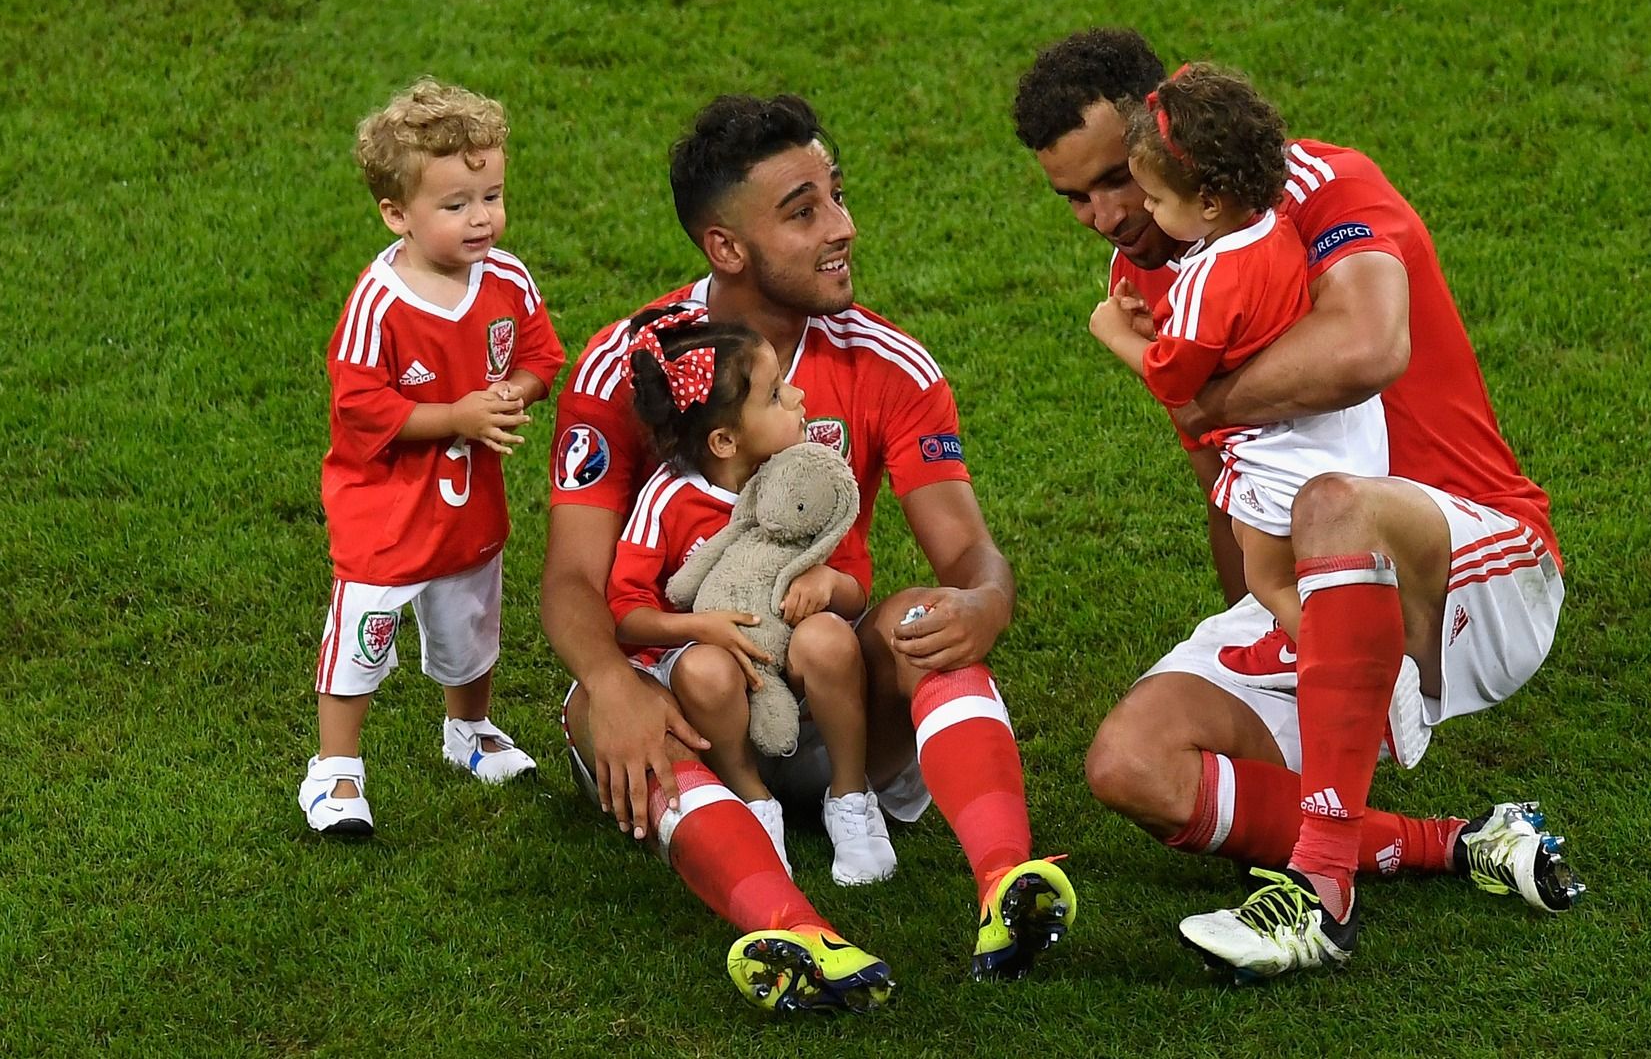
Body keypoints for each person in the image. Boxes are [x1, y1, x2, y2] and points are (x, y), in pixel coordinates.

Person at [1016, 30, 1583, 978]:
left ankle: (1321, 895)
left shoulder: (1323, 187)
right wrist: (1260, 610)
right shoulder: (1155, 270)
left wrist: (1190, 393)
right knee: (1131, 764)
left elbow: (1368, 349)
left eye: (1119, 177)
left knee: (1329, 503)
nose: (1106, 215)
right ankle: (1461, 839)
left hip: (1474, 564)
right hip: (1310, 576)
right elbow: (1227, 476)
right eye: (1072, 196)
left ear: (1164, 128)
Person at [540, 93, 1075, 1008]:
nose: (843, 226)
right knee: (597, 702)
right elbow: (574, 581)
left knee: (920, 617)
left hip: (835, 702)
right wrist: (619, 686)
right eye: (804, 211)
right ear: (726, 248)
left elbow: (970, 559)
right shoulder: (631, 366)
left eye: (837, 195)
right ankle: (797, 938)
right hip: (688, 703)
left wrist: (983, 604)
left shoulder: (887, 363)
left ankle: (1007, 883)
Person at [303, 78, 564, 837]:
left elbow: (543, 355)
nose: (481, 217)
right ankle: (336, 773)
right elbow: (358, 405)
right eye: (456, 206)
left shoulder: (507, 279)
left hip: (468, 505)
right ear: (397, 214)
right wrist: (455, 413)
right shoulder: (379, 302)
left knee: (471, 626)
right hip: (386, 512)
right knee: (363, 635)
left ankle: (469, 732)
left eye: (492, 195)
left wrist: (513, 390)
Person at [1087, 61, 1386, 650]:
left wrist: (1117, 333)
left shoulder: (1206, 272)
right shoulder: (1275, 229)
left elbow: (1175, 381)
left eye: (1155, 197)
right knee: (1334, 575)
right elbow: (1236, 329)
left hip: (1279, 458)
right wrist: (1162, 325)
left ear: (1207, 203)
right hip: (1345, 438)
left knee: (1271, 578)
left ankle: (1349, 663)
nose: (1145, 210)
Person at [605, 307, 896, 886]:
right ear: (723, 439)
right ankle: (753, 802)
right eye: (776, 394)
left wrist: (827, 584)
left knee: (830, 639)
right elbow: (626, 614)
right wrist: (700, 627)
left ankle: (850, 797)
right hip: (709, 671)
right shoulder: (669, 499)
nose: (798, 396)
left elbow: (856, 586)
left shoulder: (807, 478)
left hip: (789, 659)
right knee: (708, 670)